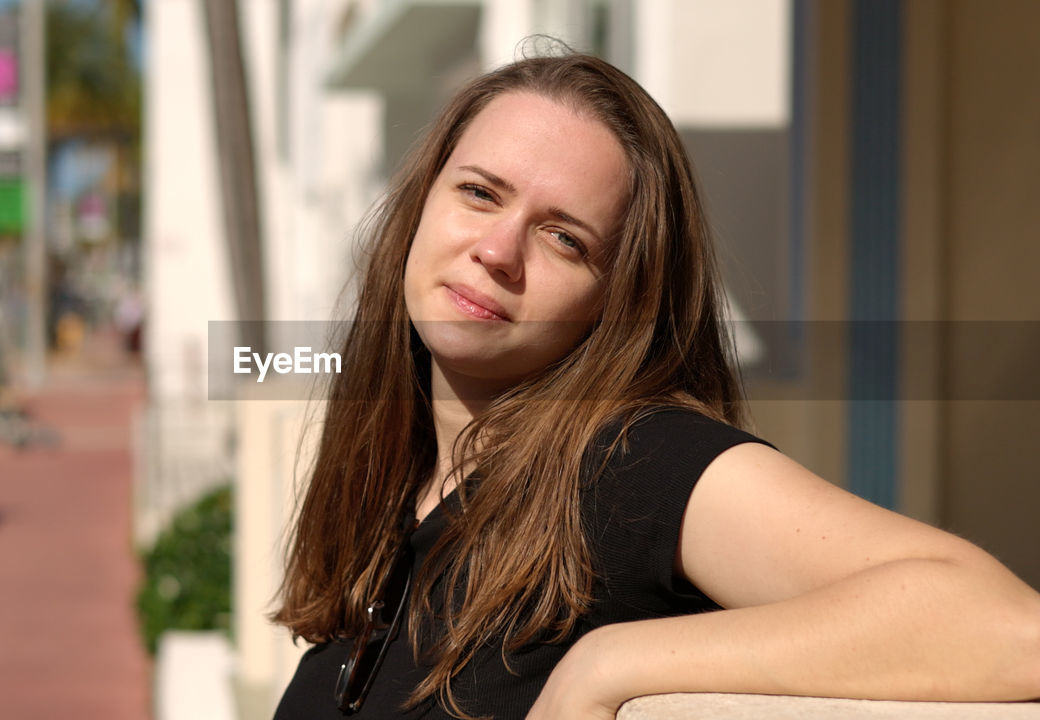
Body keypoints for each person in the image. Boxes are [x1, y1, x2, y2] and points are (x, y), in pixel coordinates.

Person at [270, 51, 1040, 719]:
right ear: (420, 205)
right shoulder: (404, 489)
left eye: (565, 237)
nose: (499, 250)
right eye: (480, 193)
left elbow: (1008, 629)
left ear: (617, 300)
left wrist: (611, 665)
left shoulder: (629, 463)